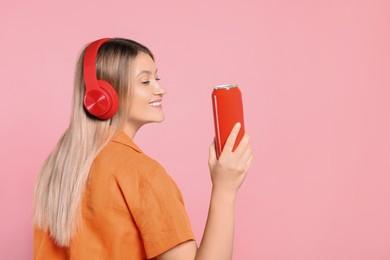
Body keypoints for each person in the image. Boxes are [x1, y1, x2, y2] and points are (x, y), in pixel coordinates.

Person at [34, 38, 253, 260]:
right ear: (103, 96)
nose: (161, 89)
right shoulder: (141, 173)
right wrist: (225, 190)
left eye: (156, 78)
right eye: (145, 81)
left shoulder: (57, 168)